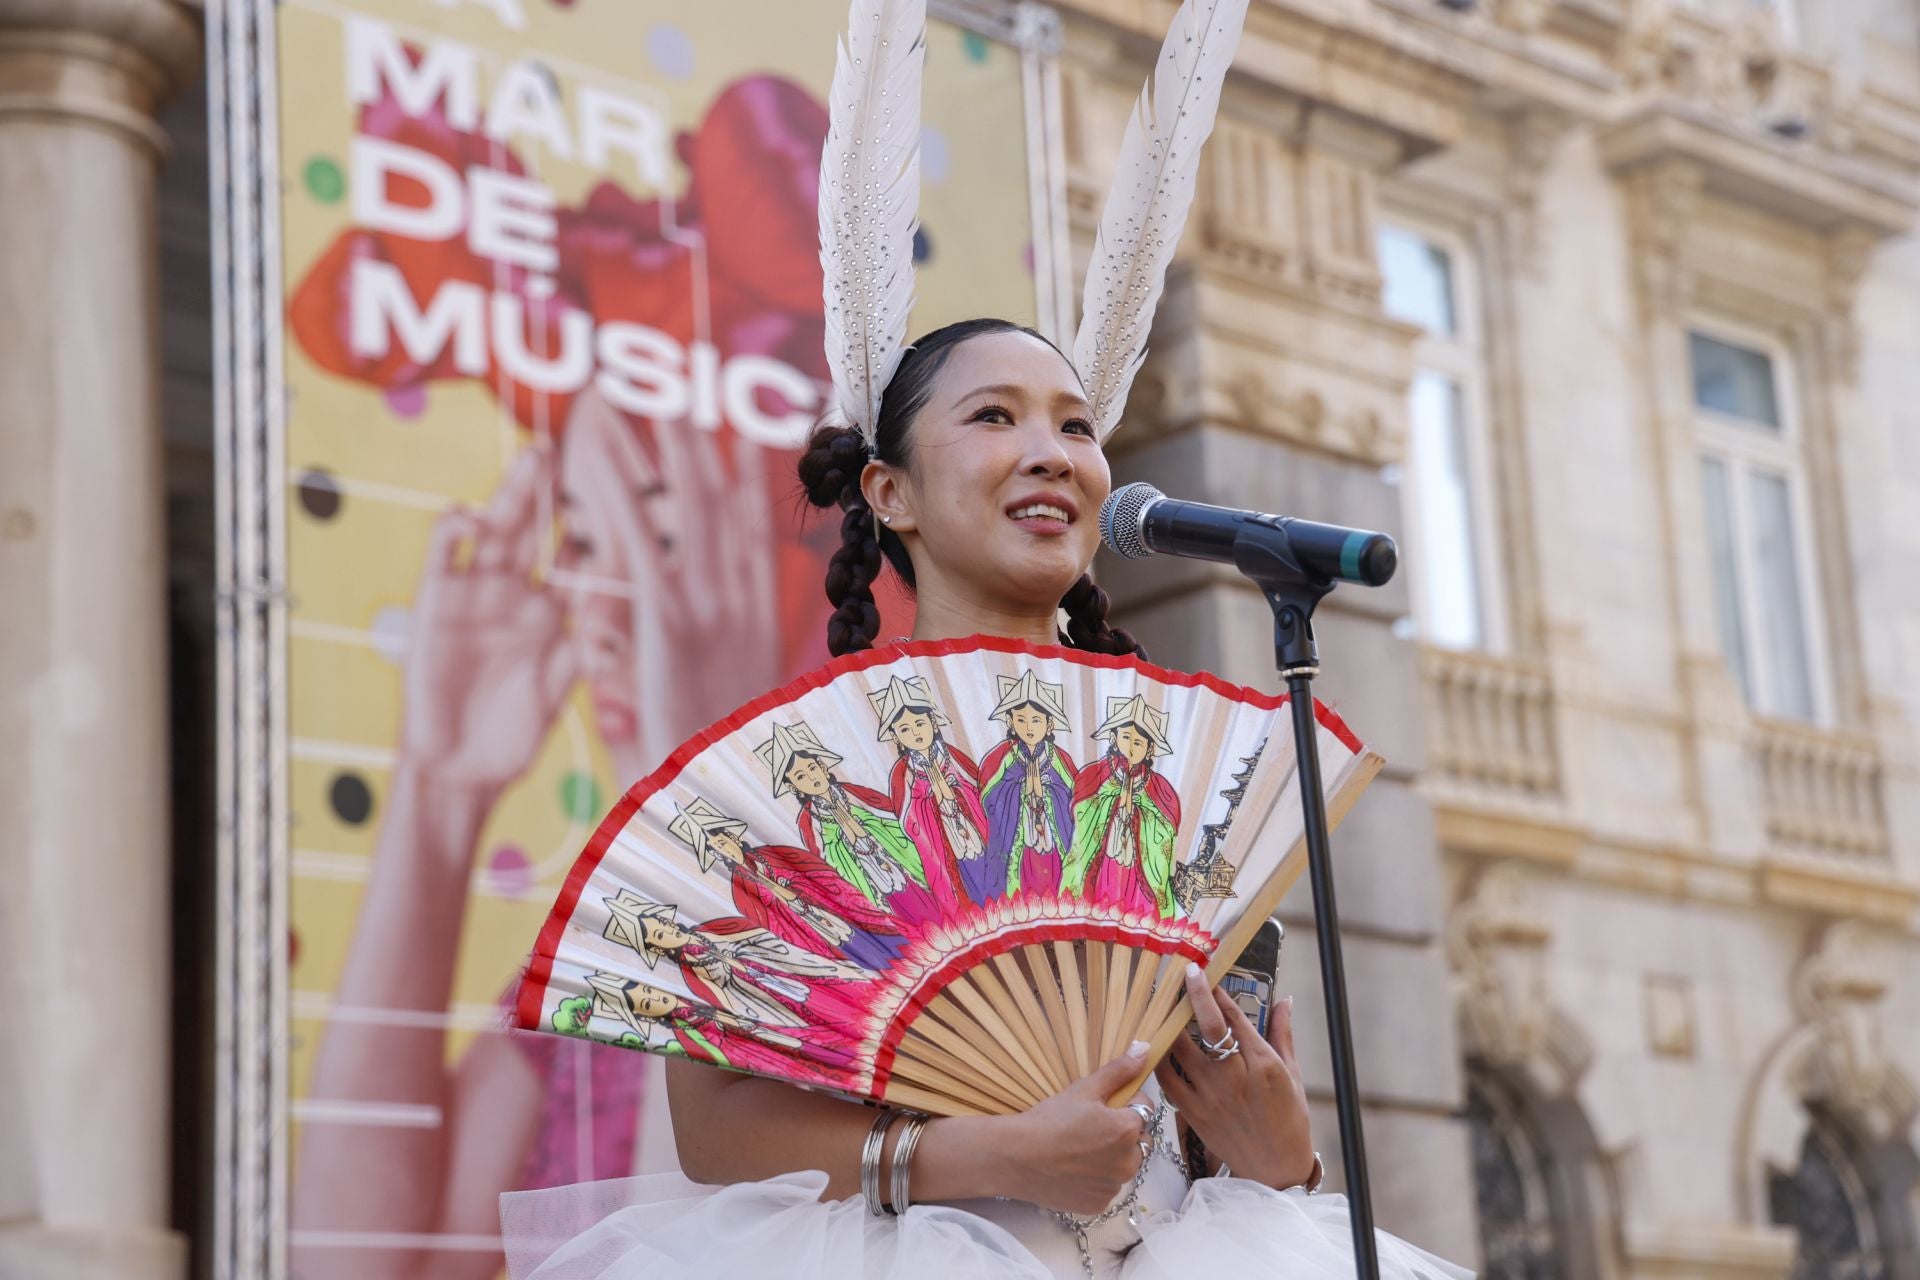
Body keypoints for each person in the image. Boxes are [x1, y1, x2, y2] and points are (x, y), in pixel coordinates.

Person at [499, 318, 1470, 1279]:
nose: (1049, 454)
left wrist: (1282, 1158)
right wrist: (997, 1156)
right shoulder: (815, 774)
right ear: (892, 491)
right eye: (996, 417)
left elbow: (1209, 1137)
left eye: (1076, 428)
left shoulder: (1180, 776)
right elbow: (716, 1131)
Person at [979, 671, 1079, 898]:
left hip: (1053, 840)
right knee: (1022, 892)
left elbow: (1076, 798)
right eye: (1021, 720)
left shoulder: (1059, 758)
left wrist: (1050, 792)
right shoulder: (1004, 757)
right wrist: (1019, 788)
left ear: (1049, 723)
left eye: (1036, 720)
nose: (1029, 727)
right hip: (1019, 840)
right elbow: (989, 795)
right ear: (1011, 722)